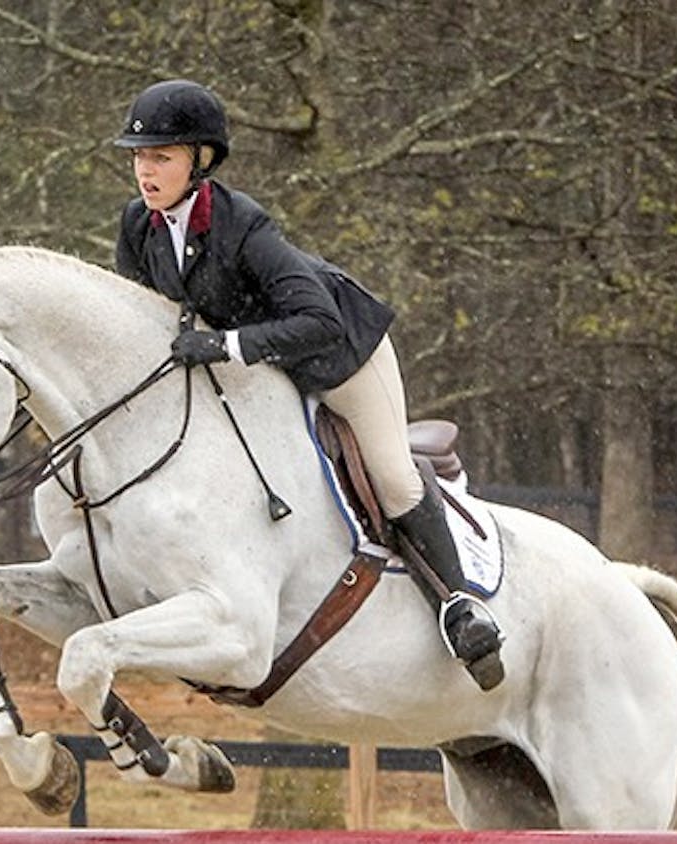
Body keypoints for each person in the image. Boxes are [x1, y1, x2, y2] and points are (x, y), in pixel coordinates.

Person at [112, 79, 504, 691]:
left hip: (341, 355)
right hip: (262, 371)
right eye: (139, 156)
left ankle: (462, 607)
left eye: (161, 156)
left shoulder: (244, 225)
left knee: (392, 475)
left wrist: (222, 345)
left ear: (201, 161)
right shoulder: (140, 226)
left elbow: (316, 321)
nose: (145, 169)